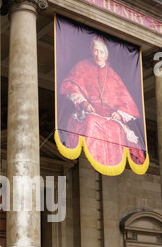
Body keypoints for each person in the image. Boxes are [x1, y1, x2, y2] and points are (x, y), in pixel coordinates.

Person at [59, 37, 146, 169]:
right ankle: (88, 164)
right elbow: (69, 84)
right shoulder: (83, 66)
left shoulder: (112, 75)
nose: (97, 55)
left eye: (101, 52)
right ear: (91, 52)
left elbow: (127, 101)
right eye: (95, 51)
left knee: (116, 129)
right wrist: (83, 103)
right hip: (89, 112)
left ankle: (110, 168)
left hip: (110, 118)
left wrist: (119, 113)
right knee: (91, 122)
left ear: (106, 55)